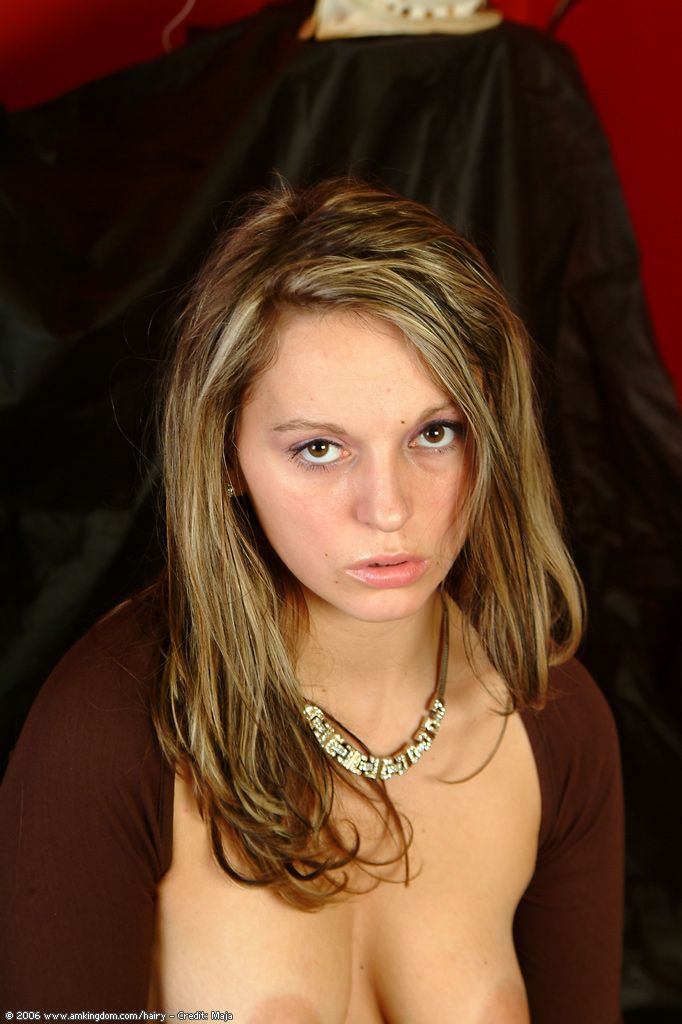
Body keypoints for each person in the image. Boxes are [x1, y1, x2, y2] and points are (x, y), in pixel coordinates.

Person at [0, 179, 624, 1023]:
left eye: (434, 433)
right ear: (226, 455)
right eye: (320, 449)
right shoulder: (108, 735)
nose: (388, 509)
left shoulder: (555, 723)